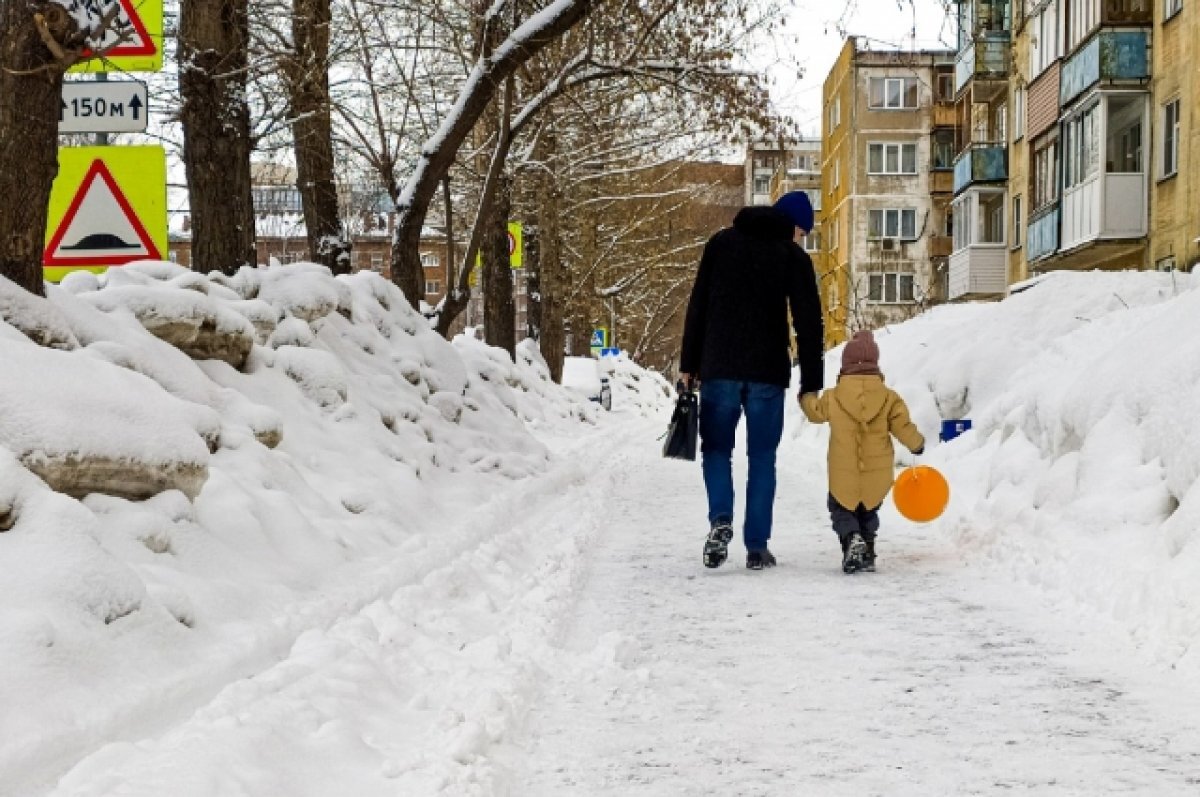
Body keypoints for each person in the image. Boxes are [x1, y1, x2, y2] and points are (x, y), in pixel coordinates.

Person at [679, 190, 824, 571]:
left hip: (719, 368)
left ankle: (720, 520)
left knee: (715, 451)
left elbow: (699, 304)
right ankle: (757, 547)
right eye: (802, 232)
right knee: (762, 458)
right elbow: (810, 322)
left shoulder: (721, 244)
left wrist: (688, 363)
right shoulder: (791, 256)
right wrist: (811, 382)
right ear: (792, 225)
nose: (801, 240)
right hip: (766, 373)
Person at [800, 330, 925, 573]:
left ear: (846, 364)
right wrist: (916, 444)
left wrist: (806, 396)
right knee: (868, 511)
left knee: (841, 509)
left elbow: (814, 412)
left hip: (843, 472)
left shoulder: (833, 397)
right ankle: (866, 550)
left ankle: (852, 540)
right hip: (876, 474)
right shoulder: (890, 398)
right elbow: (902, 426)